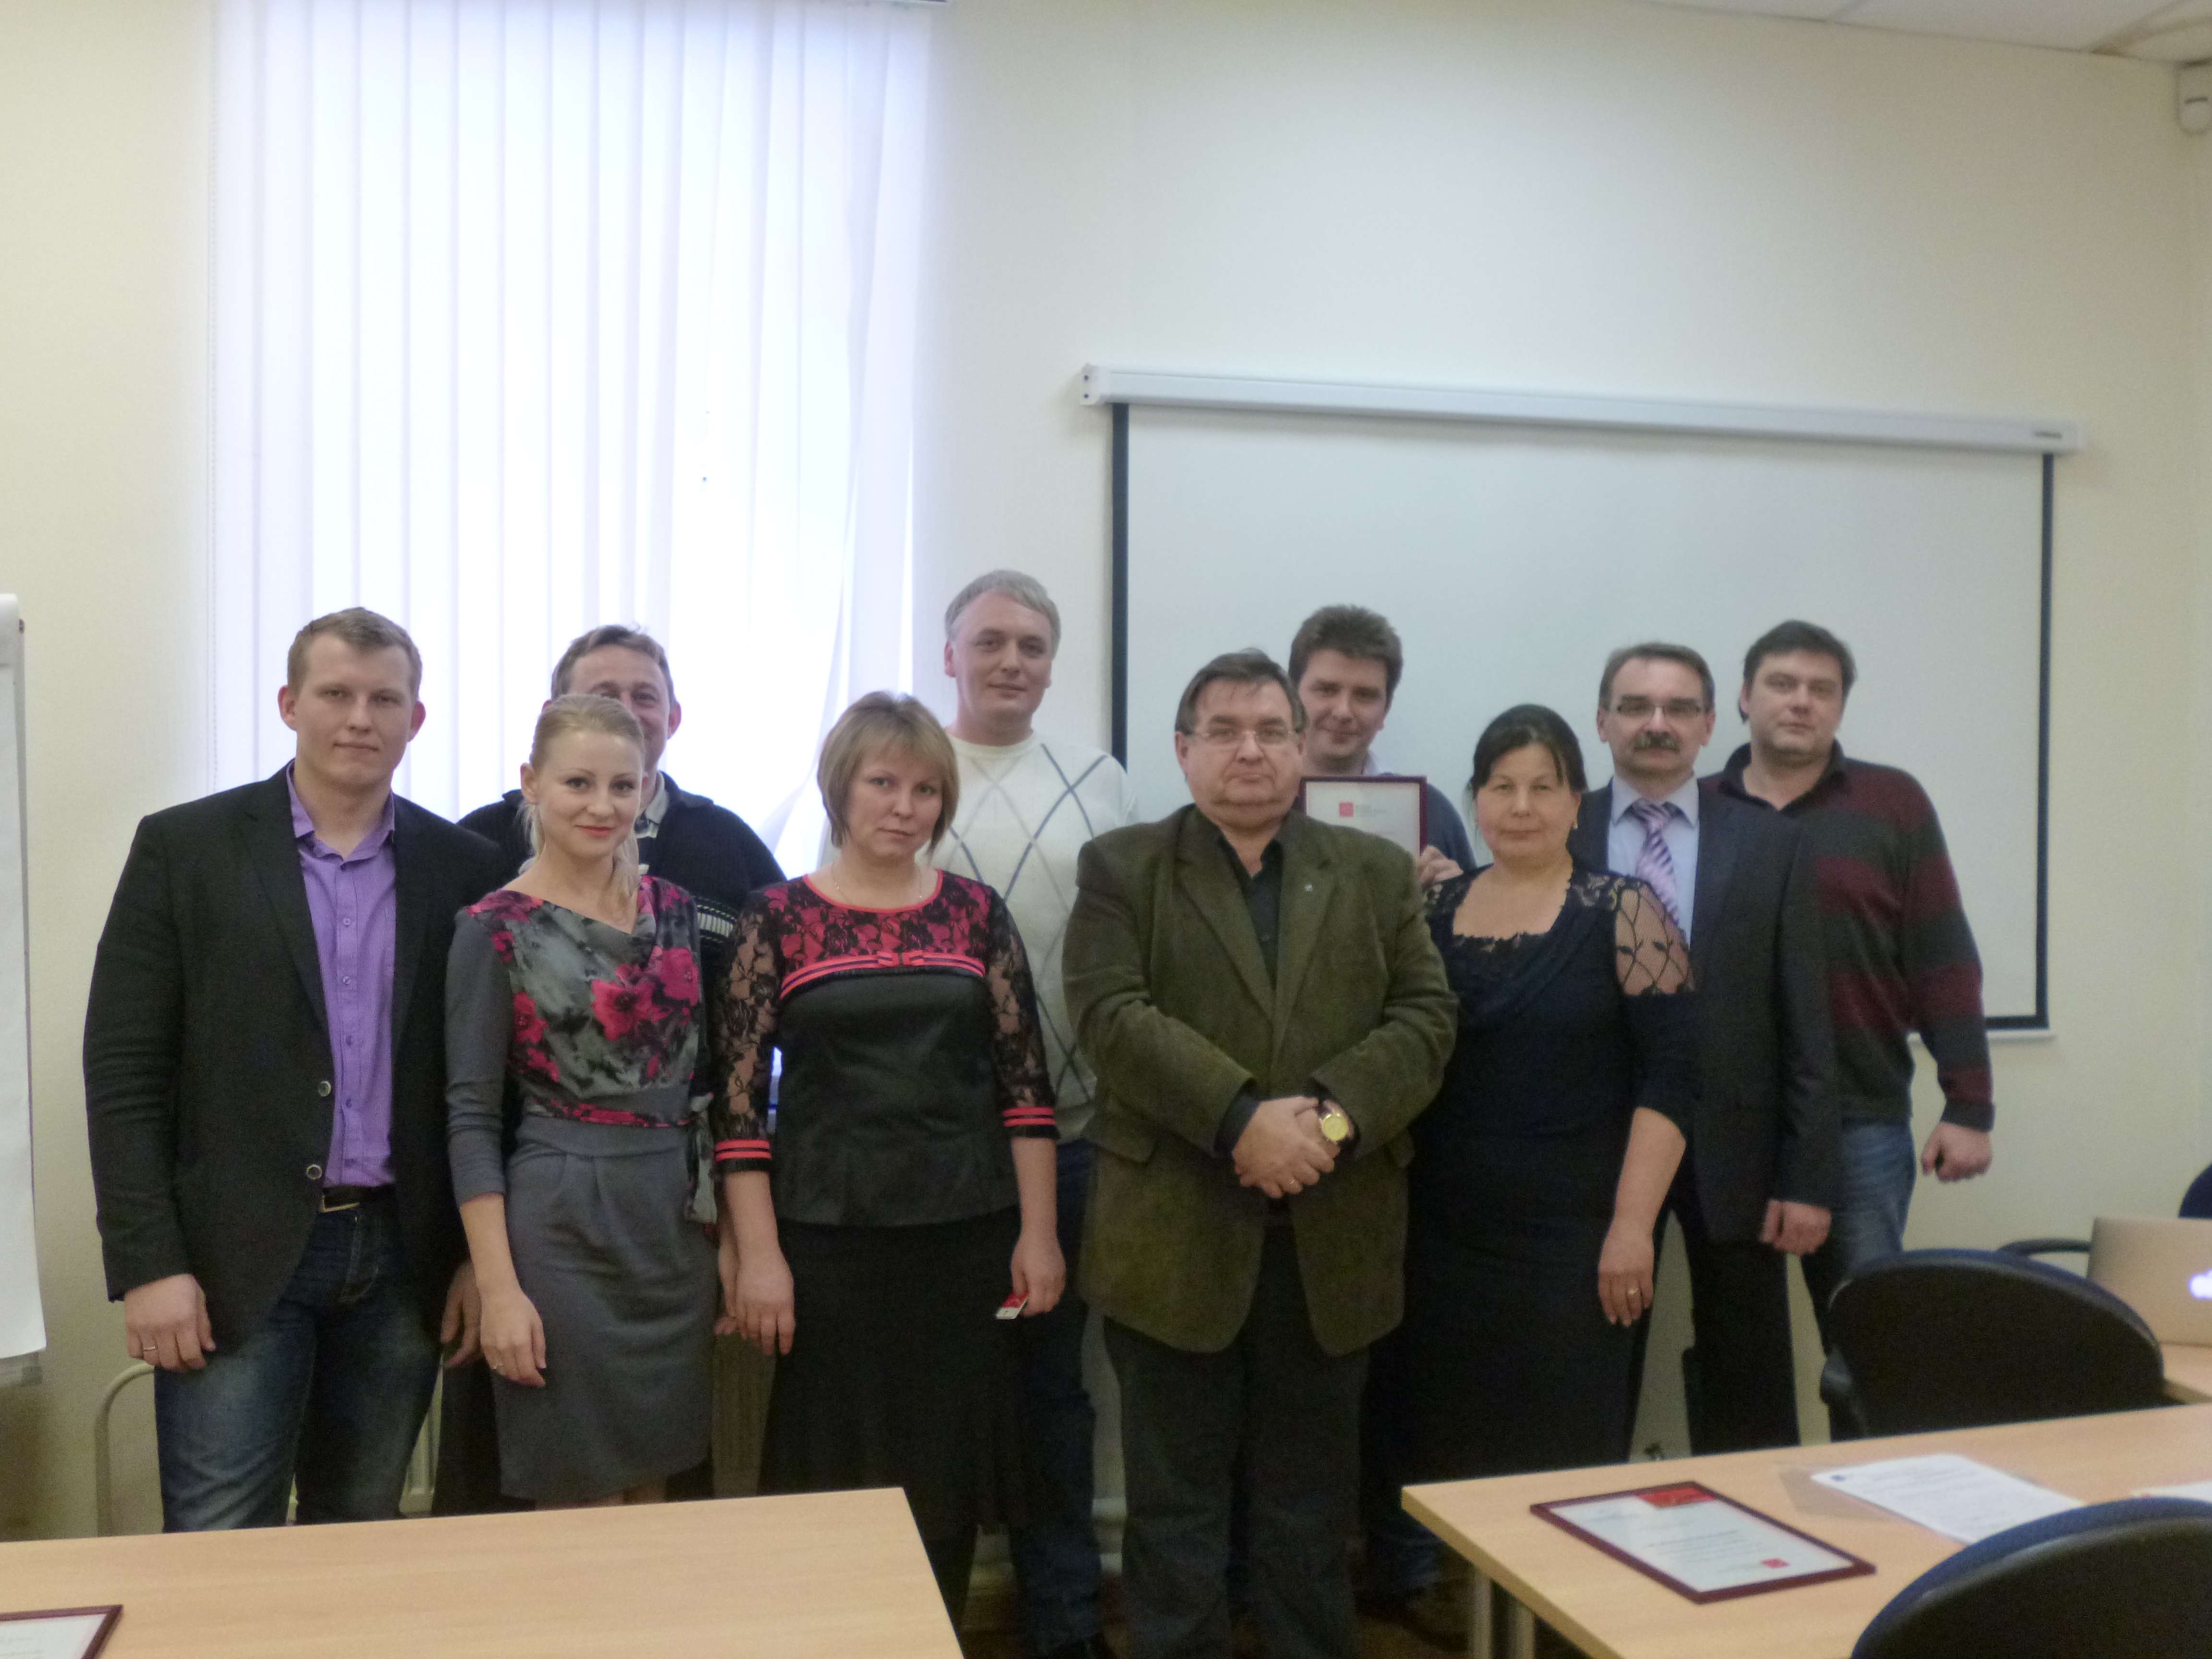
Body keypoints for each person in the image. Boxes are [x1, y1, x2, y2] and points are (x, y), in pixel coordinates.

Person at [1064, 649, 1456, 1659]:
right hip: (1173, 1242)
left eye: (1272, 731)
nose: (1251, 751)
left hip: (1332, 1240)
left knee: (1309, 1512)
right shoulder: (1121, 868)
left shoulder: (1372, 871)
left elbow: (1425, 1019)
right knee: (1174, 1514)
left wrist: (1325, 1125)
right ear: (1183, 750)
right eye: (1225, 732)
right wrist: (1241, 1120)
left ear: (1300, 747)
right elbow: (1110, 1016)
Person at [84, 608, 507, 1530]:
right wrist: (149, 1263)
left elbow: (489, 1083)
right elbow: (123, 1072)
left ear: (415, 719)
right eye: (336, 693)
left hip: (404, 1257)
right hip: (233, 1260)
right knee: (220, 1530)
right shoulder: (186, 849)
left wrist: (482, 1261)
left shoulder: (467, 867)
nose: (359, 717)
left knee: (359, 1526)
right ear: (288, 704)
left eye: (384, 699)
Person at [717, 692, 1065, 1623]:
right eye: (883, 782)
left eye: (924, 790)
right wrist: (759, 1257)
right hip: (828, 1241)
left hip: (966, 1235)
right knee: (835, 1472)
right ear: (841, 786)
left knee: (946, 1472)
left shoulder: (976, 914)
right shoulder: (776, 917)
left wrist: (1039, 1237)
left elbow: (1026, 1090)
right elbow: (739, 1110)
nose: (904, 806)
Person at [1361, 705, 1696, 1630]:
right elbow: (1388, 1058)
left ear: (1576, 801)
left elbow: (1673, 1079)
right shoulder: (1430, 911)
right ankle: (1479, 1626)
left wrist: (1631, 1228)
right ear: (1473, 799)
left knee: (1561, 1459)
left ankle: (1562, 1631)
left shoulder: (1625, 911)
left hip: (1576, 1243)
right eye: (1501, 786)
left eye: (1542, 786)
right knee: (1449, 1451)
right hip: (1441, 1240)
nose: (1520, 806)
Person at [444, 622, 781, 1512]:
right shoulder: (492, 927)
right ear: (533, 783)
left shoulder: (676, 908)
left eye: (622, 786)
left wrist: (733, 1237)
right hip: (561, 1221)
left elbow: (719, 1080)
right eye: (578, 783)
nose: (602, 806)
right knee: (578, 1491)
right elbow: (470, 1117)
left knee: (657, 1485)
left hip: (670, 1220)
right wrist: (497, 1284)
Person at [932, 570, 1134, 1659]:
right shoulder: (906, 769)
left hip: (1076, 1139)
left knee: (1053, 1387)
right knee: (951, 1391)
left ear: (1053, 663)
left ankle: (1063, 1623)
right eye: (990, 641)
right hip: (941, 1150)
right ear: (949, 655)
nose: (1012, 661)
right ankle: (929, 1615)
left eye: (1032, 644)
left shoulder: (1101, 781)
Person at [1569, 642, 1839, 1455]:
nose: (1657, 724)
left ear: (1711, 723)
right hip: (1598, 1145)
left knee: (1749, 1374)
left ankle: (1756, 1521)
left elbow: (1805, 1022)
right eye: (1635, 707)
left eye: (1679, 708)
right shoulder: (1558, 826)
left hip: (1738, 1148)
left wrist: (1806, 1177)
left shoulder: (1771, 844)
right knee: (1591, 1363)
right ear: (1602, 721)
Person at [1713, 621, 1994, 1381]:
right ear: (1744, 697)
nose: (1801, 702)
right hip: (1728, 1129)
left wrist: (1969, 1105)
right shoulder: (1700, 810)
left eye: (1822, 689)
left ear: (1841, 705)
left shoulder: (1892, 803)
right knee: (1739, 1351)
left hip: (1859, 1118)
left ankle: (1876, 1462)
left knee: (1871, 1348)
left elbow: (1941, 954)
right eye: (1781, 684)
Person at [458, 624, 782, 977]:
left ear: (673, 719)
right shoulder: (479, 842)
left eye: (645, 697)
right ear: (553, 717)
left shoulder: (731, 843)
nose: (626, 712)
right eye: (604, 697)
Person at [1287, 604, 1477, 885]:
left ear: (1385, 711)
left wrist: (1454, 896)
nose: (1343, 711)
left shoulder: (1431, 813)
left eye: (1364, 695)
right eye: (1327, 690)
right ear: (1291, 698)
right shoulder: (1253, 805)